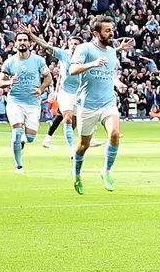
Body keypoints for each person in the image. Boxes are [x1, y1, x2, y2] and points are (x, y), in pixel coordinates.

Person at [68, 16, 125, 195]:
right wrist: (92, 63)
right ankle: (77, 174)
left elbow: (109, 73)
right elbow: (72, 70)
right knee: (83, 146)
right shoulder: (84, 49)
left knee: (115, 134)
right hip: (87, 105)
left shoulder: (111, 51)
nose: (111, 33)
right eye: (107, 30)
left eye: (111, 29)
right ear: (96, 33)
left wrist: (118, 83)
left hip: (108, 102)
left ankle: (106, 171)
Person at [0, 30, 49, 173]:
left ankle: (24, 142)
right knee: (17, 132)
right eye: (19, 40)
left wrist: (41, 89)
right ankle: (18, 166)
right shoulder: (9, 62)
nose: (22, 42)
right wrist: (9, 81)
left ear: (30, 43)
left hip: (33, 103)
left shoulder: (39, 60)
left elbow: (48, 78)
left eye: (25, 40)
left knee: (30, 137)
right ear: (15, 43)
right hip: (15, 102)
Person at [41, 37, 79, 151]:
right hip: (65, 92)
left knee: (62, 116)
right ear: (68, 44)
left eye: (76, 44)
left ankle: (47, 139)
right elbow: (62, 76)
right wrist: (56, 91)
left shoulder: (82, 57)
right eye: (71, 43)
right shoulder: (64, 56)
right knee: (64, 116)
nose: (73, 45)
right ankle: (70, 144)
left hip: (75, 93)